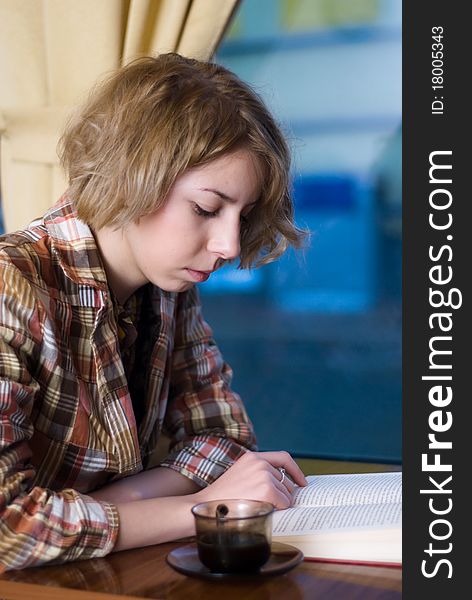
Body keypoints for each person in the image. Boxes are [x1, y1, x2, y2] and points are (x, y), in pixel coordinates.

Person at [0, 53, 307, 572]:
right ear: (132, 174)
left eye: (244, 215)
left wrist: (124, 504)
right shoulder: (12, 287)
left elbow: (222, 436)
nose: (229, 245)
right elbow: (10, 529)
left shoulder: (167, 285)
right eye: (207, 209)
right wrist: (202, 507)